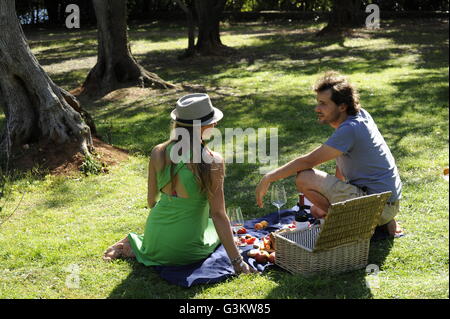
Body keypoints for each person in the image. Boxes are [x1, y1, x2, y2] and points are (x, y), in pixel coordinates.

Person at [103, 93, 255, 274]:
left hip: (154, 239)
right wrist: (238, 263)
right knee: (218, 229)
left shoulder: (158, 152)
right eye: (211, 122)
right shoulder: (213, 160)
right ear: (200, 127)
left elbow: (151, 202)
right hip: (187, 250)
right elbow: (218, 214)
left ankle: (134, 243)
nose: (215, 125)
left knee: (191, 227)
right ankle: (133, 243)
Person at [255, 71, 403, 237]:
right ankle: (377, 222)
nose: (317, 108)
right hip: (386, 202)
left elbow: (307, 161)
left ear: (342, 106)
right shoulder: (359, 116)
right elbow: (342, 161)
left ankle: (359, 224)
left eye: (324, 104)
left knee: (304, 177)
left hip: (379, 204)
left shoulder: (350, 129)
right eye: (318, 102)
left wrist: (269, 177)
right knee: (316, 210)